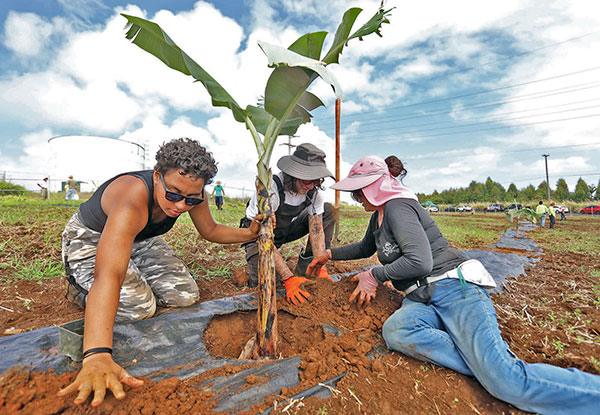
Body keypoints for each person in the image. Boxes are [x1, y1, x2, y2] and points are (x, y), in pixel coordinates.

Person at [306, 155, 600, 415]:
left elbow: (420, 262)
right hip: (419, 298)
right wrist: (329, 254)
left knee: (507, 384)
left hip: (453, 289)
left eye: (358, 193)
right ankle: (484, 366)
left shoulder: (398, 207)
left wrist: (375, 275)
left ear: (375, 186)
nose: (357, 199)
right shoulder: (379, 216)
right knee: (397, 331)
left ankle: (585, 394)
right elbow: (365, 247)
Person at [58, 138, 262, 407]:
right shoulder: (130, 200)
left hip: (141, 240)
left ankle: (134, 274)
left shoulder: (192, 192)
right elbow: (109, 276)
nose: (180, 206)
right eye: (174, 195)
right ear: (157, 176)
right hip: (91, 240)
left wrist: (248, 233)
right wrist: (97, 355)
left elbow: (210, 230)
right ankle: (76, 287)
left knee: (184, 295)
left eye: (190, 199)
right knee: (139, 307)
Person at [240, 143, 335, 304]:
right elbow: (262, 235)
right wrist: (288, 278)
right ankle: (249, 273)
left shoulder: (314, 192)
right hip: (256, 235)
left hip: (283, 230)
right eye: (308, 181)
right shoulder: (271, 190)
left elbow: (317, 231)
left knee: (327, 210)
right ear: (293, 175)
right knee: (270, 283)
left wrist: (321, 266)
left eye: (317, 181)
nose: (312, 186)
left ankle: (308, 268)